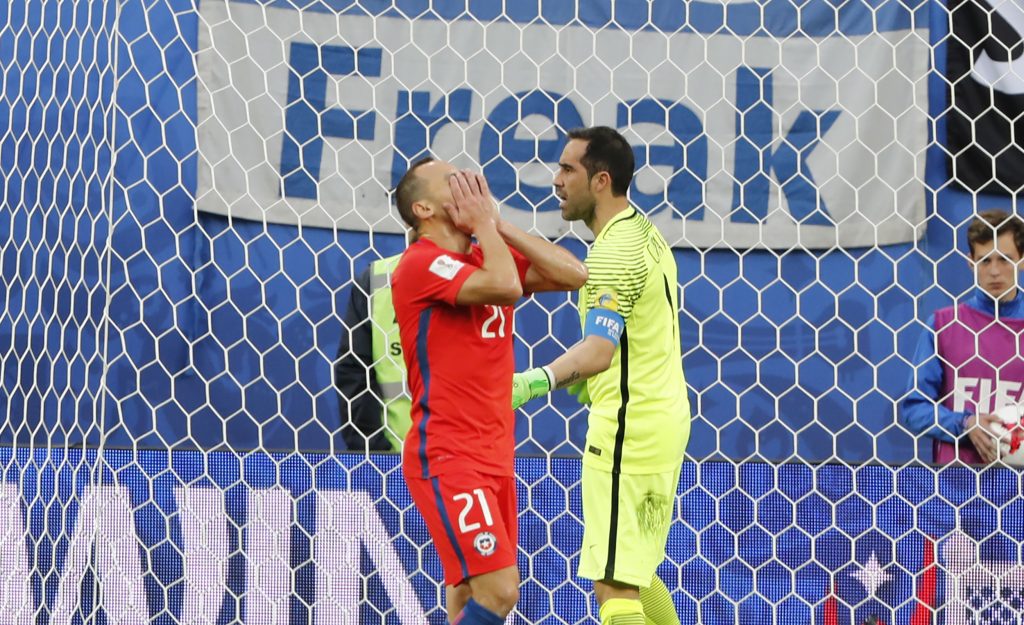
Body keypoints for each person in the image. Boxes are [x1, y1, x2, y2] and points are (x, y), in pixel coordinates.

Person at [391, 157, 588, 625]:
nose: (467, 182)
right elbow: (503, 286)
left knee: (466, 593)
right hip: (448, 454)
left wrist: (498, 226)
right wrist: (484, 225)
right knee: (500, 591)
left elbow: (573, 274)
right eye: (450, 180)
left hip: (495, 455)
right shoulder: (420, 263)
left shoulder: (484, 253)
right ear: (423, 208)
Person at [511, 127, 689, 625]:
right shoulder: (642, 231)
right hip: (664, 417)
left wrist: (530, 382)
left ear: (601, 180)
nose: (556, 180)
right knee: (638, 570)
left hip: (630, 427)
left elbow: (597, 352)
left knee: (613, 584)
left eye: (568, 169)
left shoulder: (611, 254)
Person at [901, 208, 1024, 464]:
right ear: (970, 262)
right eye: (984, 260)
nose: (994, 271)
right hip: (955, 489)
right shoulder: (944, 324)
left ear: (1021, 260)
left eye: (1004, 259)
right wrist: (965, 422)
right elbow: (913, 409)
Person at [335, 250, 411, 452]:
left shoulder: (492, 279)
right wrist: (374, 454)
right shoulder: (379, 278)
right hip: (393, 462)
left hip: (479, 462)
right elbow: (353, 372)